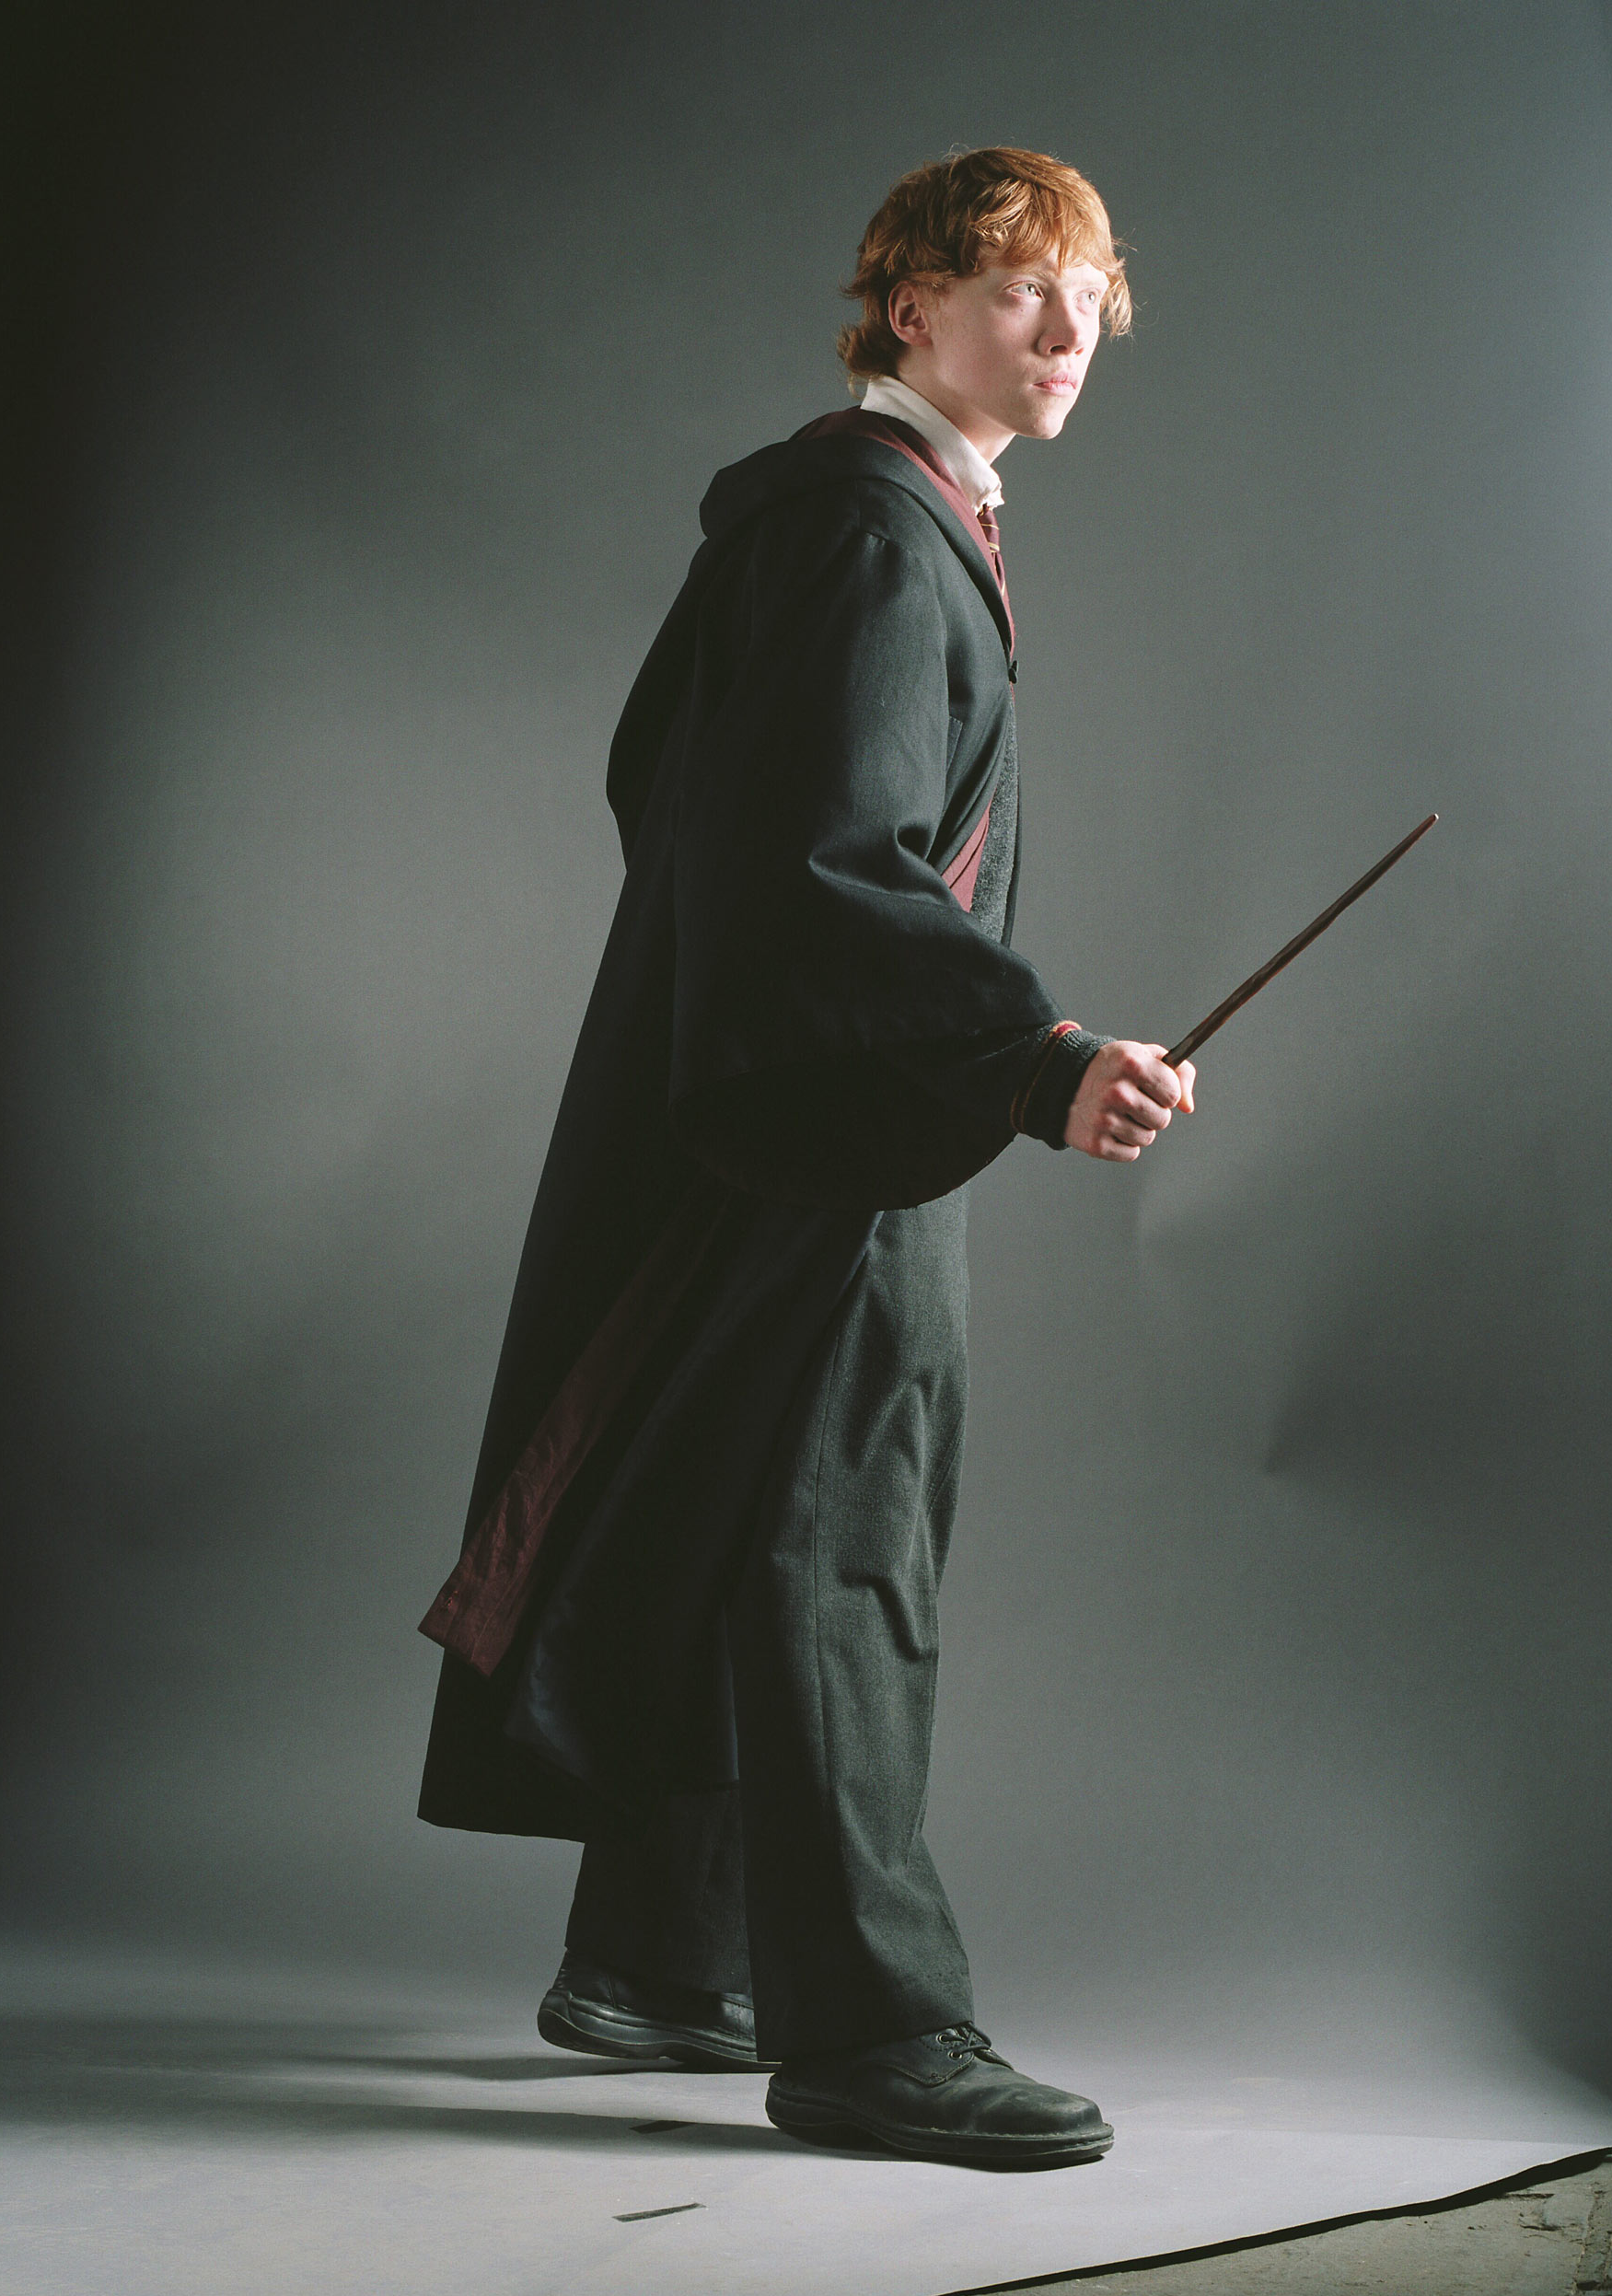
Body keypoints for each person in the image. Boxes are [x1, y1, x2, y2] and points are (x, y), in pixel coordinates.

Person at [417, 145, 1195, 2169]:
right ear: (911, 307)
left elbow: (668, 791)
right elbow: (824, 858)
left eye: (1091, 293)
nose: (1070, 327)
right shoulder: (868, 532)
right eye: (1020, 289)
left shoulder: (847, 516)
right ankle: (871, 2032)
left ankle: (660, 1959)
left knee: (728, 1503)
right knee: (843, 1549)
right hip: (832, 1127)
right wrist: (1030, 1059)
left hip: (767, 1103)